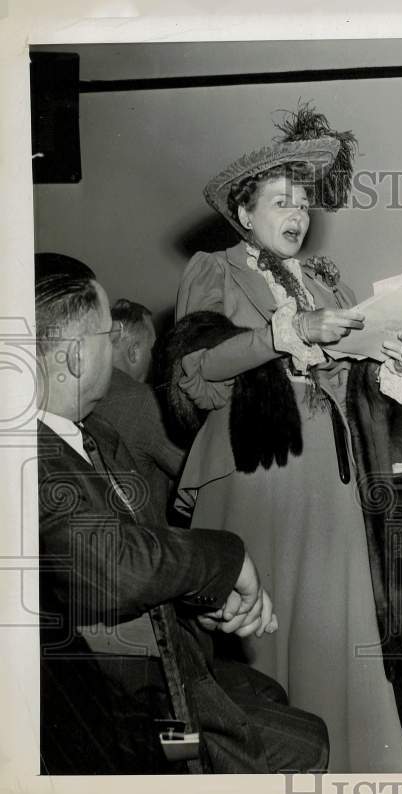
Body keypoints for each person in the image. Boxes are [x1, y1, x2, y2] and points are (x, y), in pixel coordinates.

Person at [170, 104, 402, 772]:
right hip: (261, 477)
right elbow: (195, 372)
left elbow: (342, 386)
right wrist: (286, 335)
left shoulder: (323, 278)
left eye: (304, 203)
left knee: (339, 642)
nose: (296, 214)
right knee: (269, 646)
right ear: (244, 212)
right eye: (280, 201)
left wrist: (386, 360)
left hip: (331, 485)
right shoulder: (216, 269)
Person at [35, 253, 328, 773]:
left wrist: (201, 600)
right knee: (300, 744)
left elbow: (143, 551)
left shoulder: (94, 434)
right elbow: (116, 570)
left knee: (272, 698)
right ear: (76, 357)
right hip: (123, 714)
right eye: (107, 335)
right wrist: (229, 561)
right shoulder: (30, 458)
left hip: (153, 669)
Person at [90, 298, 185, 523]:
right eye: (153, 350)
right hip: (148, 542)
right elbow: (193, 469)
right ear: (134, 352)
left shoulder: (82, 394)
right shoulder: (144, 401)